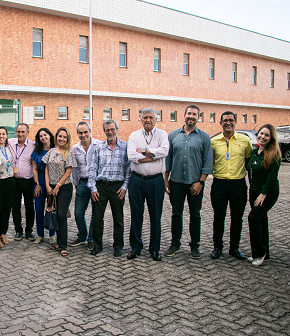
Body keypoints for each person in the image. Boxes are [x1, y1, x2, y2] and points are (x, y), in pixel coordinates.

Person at [164, 105, 213, 259]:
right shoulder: (173, 135)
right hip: (176, 181)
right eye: (189, 113)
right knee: (176, 214)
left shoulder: (204, 137)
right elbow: (168, 159)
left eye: (194, 114)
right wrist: (166, 180)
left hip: (195, 183)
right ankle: (175, 243)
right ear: (184, 115)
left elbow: (208, 162)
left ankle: (195, 246)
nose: (191, 116)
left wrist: (201, 182)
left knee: (195, 215)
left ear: (198, 117)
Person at [127, 108, 169, 261]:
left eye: (150, 117)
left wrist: (143, 152)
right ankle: (136, 247)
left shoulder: (162, 134)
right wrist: (153, 156)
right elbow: (131, 155)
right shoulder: (134, 135)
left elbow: (164, 151)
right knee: (136, 215)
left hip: (155, 181)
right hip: (137, 180)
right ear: (141, 119)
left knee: (155, 216)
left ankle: (155, 249)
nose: (148, 120)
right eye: (145, 117)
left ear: (155, 119)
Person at [210, 111, 253, 260]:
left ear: (235, 122)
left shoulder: (245, 140)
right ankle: (217, 247)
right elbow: (210, 162)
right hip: (219, 184)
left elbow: (248, 161)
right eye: (225, 121)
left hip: (238, 185)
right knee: (218, 217)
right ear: (220, 123)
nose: (228, 123)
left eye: (231, 120)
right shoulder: (213, 141)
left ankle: (234, 248)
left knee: (237, 218)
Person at [88, 119, 131, 257]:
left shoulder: (125, 147)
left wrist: (125, 187)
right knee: (97, 218)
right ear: (104, 131)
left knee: (118, 218)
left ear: (117, 129)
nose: (110, 132)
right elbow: (93, 168)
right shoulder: (98, 147)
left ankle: (118, 246)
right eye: (107, 130)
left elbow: (129, 170)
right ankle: (97, 245)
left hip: (117, 187)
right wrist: (93, 188)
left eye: (112, 129)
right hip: (101, 186)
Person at [246, 124, 281, 266]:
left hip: (268, 193)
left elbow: (272, 177)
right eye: (261, 134)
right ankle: (265, 253)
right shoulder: (255, 152)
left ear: (271, 138)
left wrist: (263, 194)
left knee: (253, 218)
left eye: (267, 135)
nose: (263, 137)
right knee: (261, 221)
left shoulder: (274, 154)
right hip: (254, 192)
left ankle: (258, 254)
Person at [43, 127, 76, 257]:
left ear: (67, 139)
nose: (61, 139)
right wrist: (47, 186)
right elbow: (46, 170)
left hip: (64, 188)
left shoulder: (69, 152)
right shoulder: (51, 151)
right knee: (54, 214)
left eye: (64, 137)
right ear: (56, 137)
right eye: (59, 136)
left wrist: (57, 186)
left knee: (62, 215)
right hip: (51, 188)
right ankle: (57, 241)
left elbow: (68, 172)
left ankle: (63, 245)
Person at [70, 121, 100, 251]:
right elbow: (74, 169)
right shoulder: (75, 149)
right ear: (77, 134)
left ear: (90, 131)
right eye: (80, 133)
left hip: (96, 184)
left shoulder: (99, 145)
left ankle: (91, 239)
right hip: (82, 183)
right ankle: (82, 236)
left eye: (85, 132)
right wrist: (76, 184)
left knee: (95, 213)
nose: (83, 135)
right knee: (78, 213)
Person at [8, 123, 36, 241]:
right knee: (15, 207)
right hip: (14, 181)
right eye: (18, 132)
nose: (20, 134)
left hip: (28, 181)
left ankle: (29, 230)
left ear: (27, 133)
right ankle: (18, 230)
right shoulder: (9, 142)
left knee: (29, 206)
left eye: (23, 132)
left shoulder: (33, 145)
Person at [31, 128, 56, 244]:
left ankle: (52, 235)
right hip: (40, 184)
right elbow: (35, 169)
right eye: (40, 136)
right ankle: (40, 235)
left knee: (51, 209)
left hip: (53, 184)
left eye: (45, 135)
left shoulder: (56, 150)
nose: (43, 137)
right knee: (39, 209)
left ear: (50, 135)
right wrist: (36, 184)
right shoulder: (37, 152)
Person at [0, 126, 16, 246]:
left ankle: (3, 233)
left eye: (3, 134)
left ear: (7, 135)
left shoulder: (9, 148)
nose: (1, 136)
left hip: (10, 181)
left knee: (7, 210)